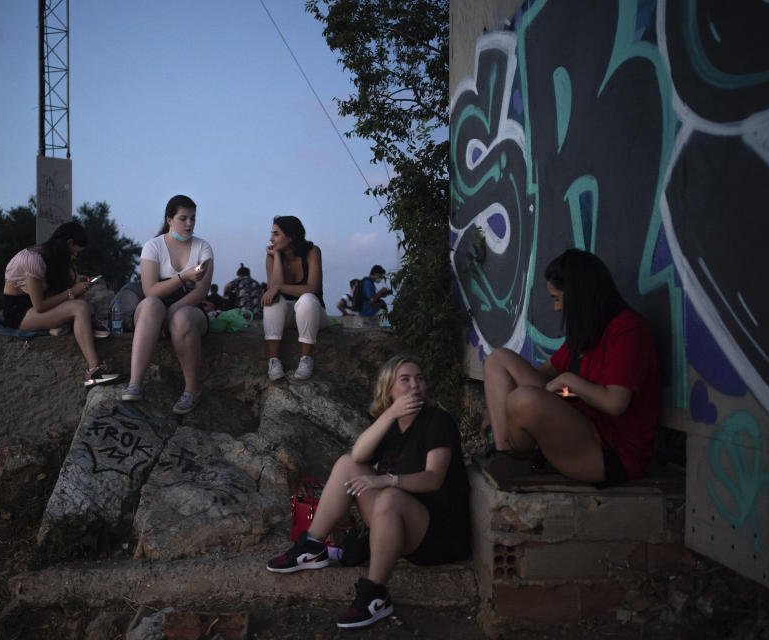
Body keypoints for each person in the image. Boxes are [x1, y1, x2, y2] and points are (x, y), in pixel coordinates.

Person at [265, 354, 471, 629]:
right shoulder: (391, 425)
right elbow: (360, 453)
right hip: (396, 523)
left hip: (438, 533)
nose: (415, 386)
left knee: (389, 496)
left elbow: (433, 479)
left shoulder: (438, 421)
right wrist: (389, 414)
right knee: (348, 463)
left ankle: (374, 595)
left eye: (419, 379)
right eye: (405, 380)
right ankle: (312, 546)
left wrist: (387, 480)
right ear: (388, 389)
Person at [483, 248, 660, 484]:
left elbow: (615, 403)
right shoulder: (587, 332)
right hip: (579, 425)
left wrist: (569, 381)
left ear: (579, 296)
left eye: (557, 299)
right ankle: (506, 457)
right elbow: (543, 373)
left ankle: (519, 459)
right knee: (498, 359)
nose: (556, 308)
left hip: (609, 453)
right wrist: (497, 405)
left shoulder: (628, 330)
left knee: (522, 399)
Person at [121, 195, 213, 415]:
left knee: (181, 318)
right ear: (169, 219)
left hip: (189, 308)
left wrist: (171, 314)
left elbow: (200, 292)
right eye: (183, 218)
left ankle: (192, 390)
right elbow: (150, 290)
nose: (189, 223)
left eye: (193, 218)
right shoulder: (153, 246)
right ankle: (135, 383)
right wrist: (183, 276)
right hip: (153, 309)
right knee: (152, 304)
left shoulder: (203, 247)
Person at [2, 221, 119, 387]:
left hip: (35, 308)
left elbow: (56, 291)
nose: (75, 256)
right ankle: (94, 370)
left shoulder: (51, 257)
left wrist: (76, 283)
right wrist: (72, 291)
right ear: (69, 243)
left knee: (79, 299)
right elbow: (40, 306)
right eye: (75, 252)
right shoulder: (33, 259)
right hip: (19, 312)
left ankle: (87, 325)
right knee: (79, 307)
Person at [261, 215, 329, 381]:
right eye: (271, 233)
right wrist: (276, 256)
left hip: (314, 313)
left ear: (291, 237)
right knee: (273, 303)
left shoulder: (312, 252)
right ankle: (274, 361)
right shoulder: (271, 256)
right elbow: (273, 291)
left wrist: (279, 287)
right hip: (288, 316)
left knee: (307, 299)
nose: (271, 238)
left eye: (276, 234)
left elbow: (313, 288)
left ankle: (306, 359)